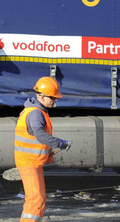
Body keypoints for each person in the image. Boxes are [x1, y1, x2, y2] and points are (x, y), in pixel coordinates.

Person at [14, 76, 72, 222]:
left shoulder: (37, 111)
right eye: (52, 97)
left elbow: (36, 139)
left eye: (55, 98)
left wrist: (49, 151)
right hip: (29, 163)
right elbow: (40, 135)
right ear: (41, 96)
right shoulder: (35, 113)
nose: (55, 100)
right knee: (35, 199)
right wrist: (60, 143)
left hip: (34, 162)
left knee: (40, 198)